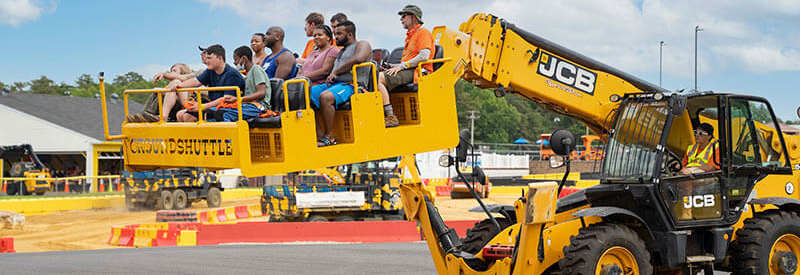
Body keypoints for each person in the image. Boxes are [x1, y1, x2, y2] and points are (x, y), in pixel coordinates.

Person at [310, 20, 372, 147]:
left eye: (338, 34)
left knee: (326, 97)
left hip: (352, 85)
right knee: (304, 94)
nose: (335, 36)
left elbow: (359, 58)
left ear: (349, 35)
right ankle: (319, 134)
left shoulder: (362, 44)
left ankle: (329, 137)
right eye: (334, 33)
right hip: (335, 85)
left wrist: (336, 72)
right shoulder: (342, 50)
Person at [376, 5, 434, 128]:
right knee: (375, 75)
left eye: (404, 16)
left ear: (413, 17)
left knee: (378, 79)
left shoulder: (423, 33)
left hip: (417, 72)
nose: (401, 19)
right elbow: (408, 60)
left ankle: (390, 116)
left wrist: (402, 66)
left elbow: (424, 56)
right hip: (409, 69)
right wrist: (391, 66)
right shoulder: (411, 36)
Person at [169, 44, 245, 122]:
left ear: (220, 58)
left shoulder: (232, 74)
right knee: (181, 115)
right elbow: (195, 81)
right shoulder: (210, 71)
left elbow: (226, 99)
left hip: (229, 108)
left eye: (209, 58)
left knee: (189, 116)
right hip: (215, 106)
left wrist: (201, 106)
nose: (206, 61)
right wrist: (179, 85)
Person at [215, 46, 271, 122]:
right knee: (215, 112)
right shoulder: (248, 74)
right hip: (249, 105)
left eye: (236, 60)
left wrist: (239, 99)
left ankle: (231, 133)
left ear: (244, 59)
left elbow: (261, 93)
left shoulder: (256, 69)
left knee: (224, 115)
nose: (235, 63)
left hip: (259, 106)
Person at [127, 63, 195, 123]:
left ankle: (149, 115)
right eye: (171, 71)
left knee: (165, 89)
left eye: (174, 71)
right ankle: (143, 115)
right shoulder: (170, 85)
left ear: (182, 73)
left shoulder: (187, 83)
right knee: (156, 93)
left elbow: (180, 97)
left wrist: (162, 91)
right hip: (171, 109)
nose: (171, 73)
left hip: (183, 107)